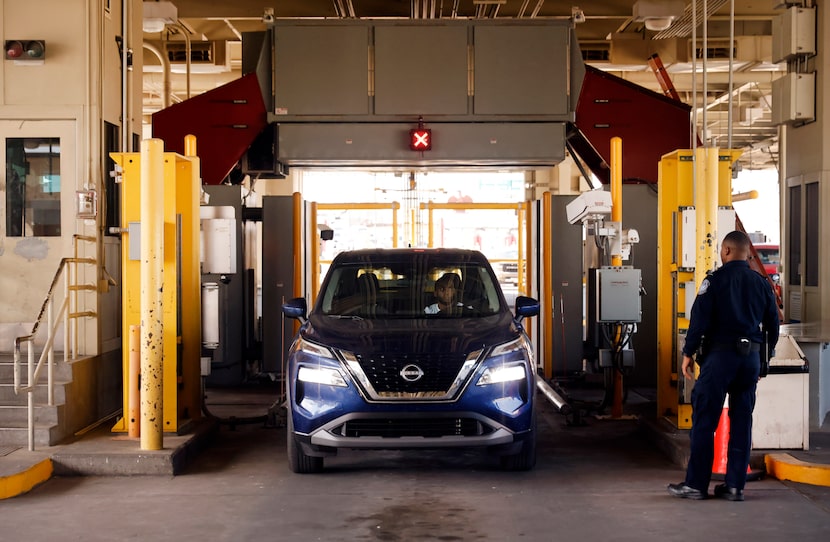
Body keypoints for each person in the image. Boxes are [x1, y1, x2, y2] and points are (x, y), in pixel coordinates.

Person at [668, 230, 780, 501]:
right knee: (742, 421)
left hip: (720, 358)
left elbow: (699, 320)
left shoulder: (714, 281)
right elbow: (773, 327)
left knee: (705, 421)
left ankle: (696, 485)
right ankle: (734, 487)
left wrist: (688, 353)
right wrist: (763, 360)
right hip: (750, 360)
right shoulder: (761, 283)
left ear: (727, 251)